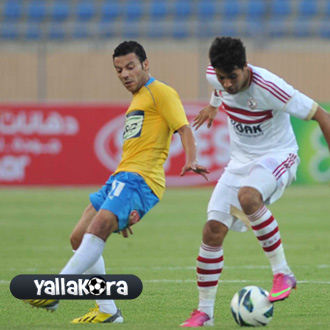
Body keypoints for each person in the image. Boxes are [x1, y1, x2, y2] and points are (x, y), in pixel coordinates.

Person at [25, 40, 209, 323]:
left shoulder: (161, 92)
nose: (124, 74)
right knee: (78, 237)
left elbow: (183, 128)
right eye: (119, 69)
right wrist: (118, 209)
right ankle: (108, 310)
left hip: (140, 179)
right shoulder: (136, 100)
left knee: (96, 229)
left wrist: (191, 159)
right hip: (120, 178)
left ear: (146, 65)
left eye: (130, 67)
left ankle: (56, 290)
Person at [180, 37, 330, 327]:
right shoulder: (215, 77)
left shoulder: (271, 88)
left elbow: (325, 117)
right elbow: (219, 88)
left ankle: (283, 273)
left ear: (245, 67)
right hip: (239, 163)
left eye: (233, 76)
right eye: (222, 78)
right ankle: (205, 313)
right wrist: (213, 105)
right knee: (212, 231)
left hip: (278, 156)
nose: (228, 84)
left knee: (248, 197)